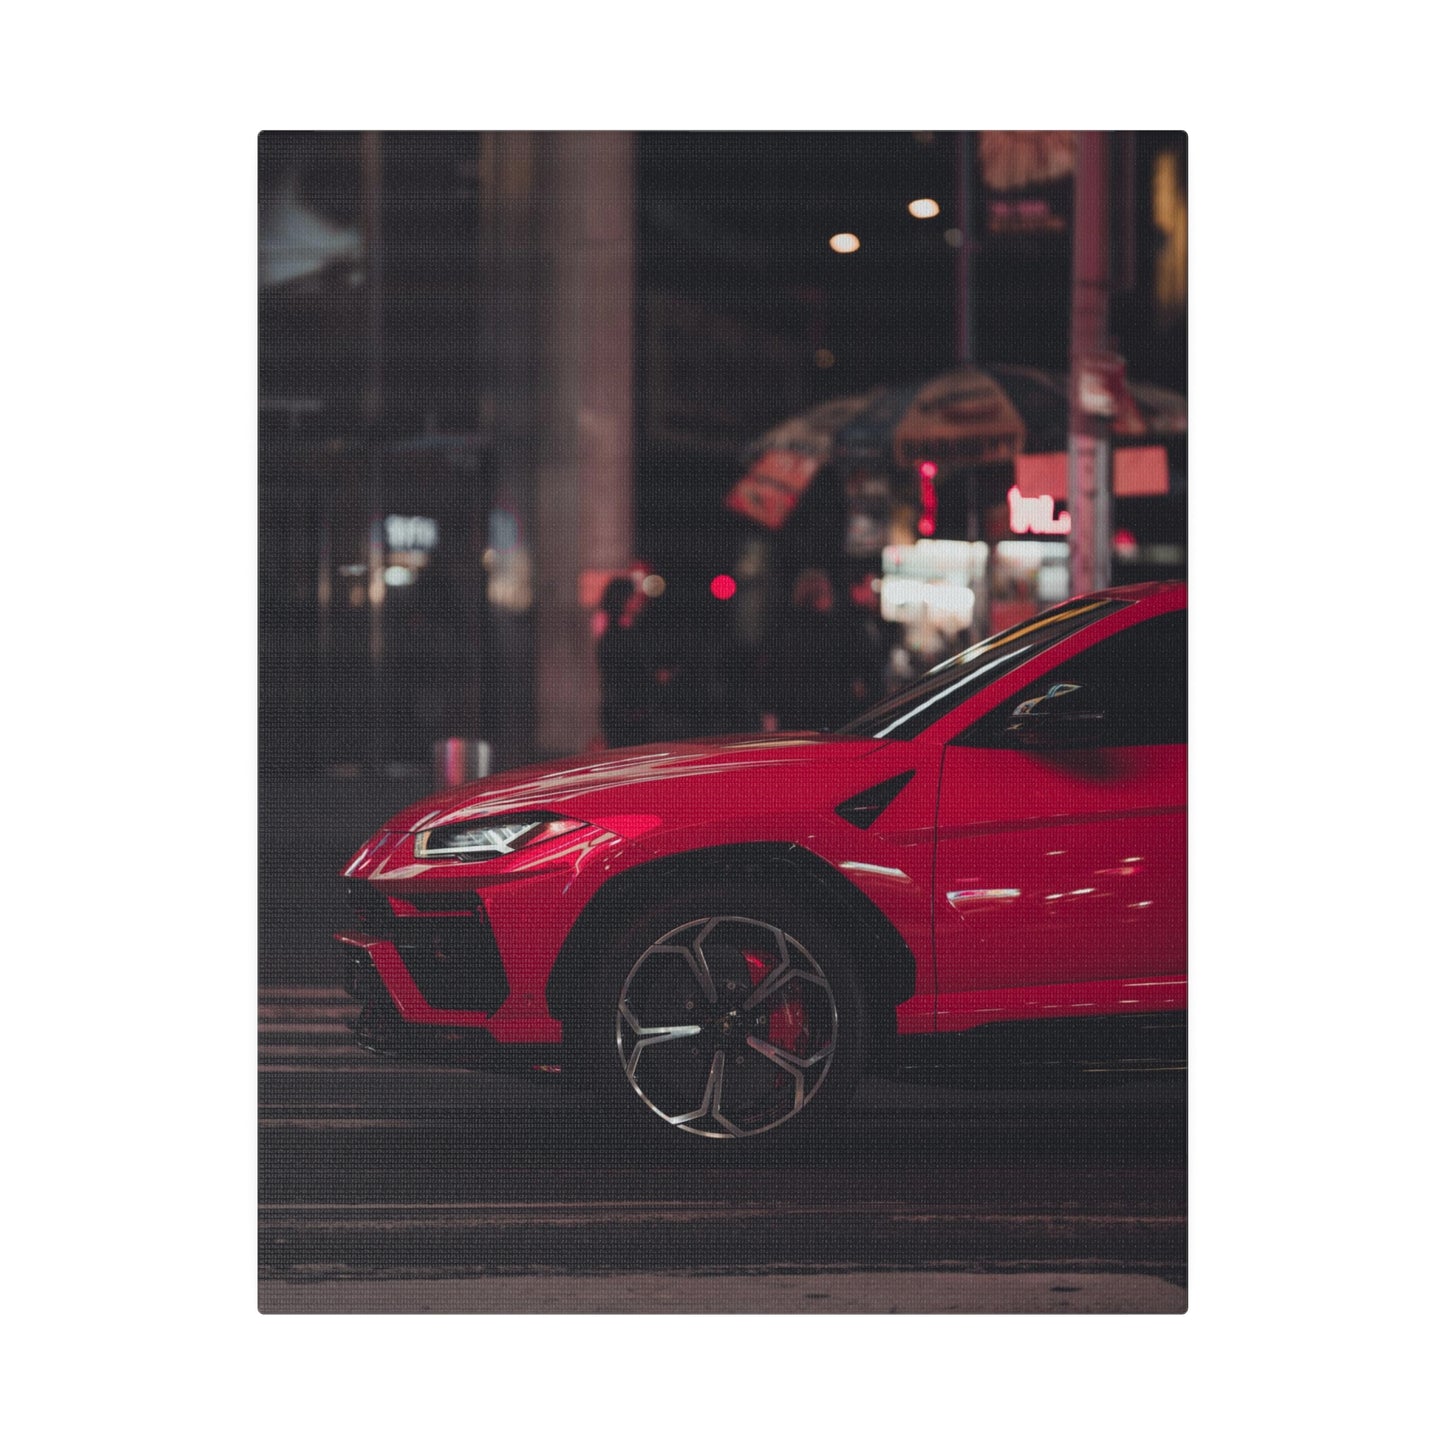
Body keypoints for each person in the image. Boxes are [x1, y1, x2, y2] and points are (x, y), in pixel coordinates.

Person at [764, 568, 872, 732]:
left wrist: (770, 711)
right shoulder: (836, 630)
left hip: (793, 713)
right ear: (821, 595)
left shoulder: (785, 629)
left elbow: (772, 674)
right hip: (831, 712)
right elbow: (852, 673)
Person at [596, 576, 651, 748]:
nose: (638, 601)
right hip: (625, 710)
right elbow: (621, 674)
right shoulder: (614, 636)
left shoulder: (635, 630)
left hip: (636, 709)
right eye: (633, 597)